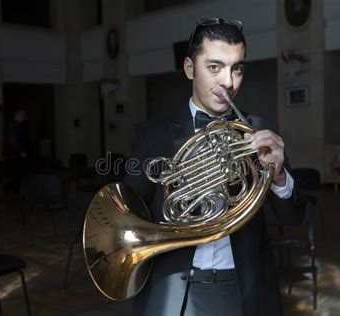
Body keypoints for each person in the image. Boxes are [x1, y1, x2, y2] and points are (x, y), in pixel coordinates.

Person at [124, 17, 305, 316]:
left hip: (240, 289)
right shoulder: (152, 134)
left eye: (237, 68)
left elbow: (293, 216)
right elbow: (129, 210)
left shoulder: (258, 130)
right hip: (172, 288)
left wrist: (279, 176)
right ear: (189, 69)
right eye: (214, 67)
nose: (228, 82)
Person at [5, 110, 30, 193]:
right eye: (22, 115)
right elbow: (13, 141)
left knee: (16, 174)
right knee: (17, 174)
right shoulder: (15, 126)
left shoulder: (15, 125)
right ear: (18, 115)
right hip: (15, 154)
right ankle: (14, 193)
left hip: (14, 154)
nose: (24, 117)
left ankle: (12, 190)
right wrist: (21, 151)